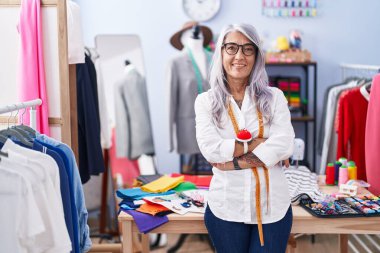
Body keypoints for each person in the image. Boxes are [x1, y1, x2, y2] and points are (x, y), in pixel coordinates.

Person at [194, 23, 295, 253]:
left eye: (248, 49)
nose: (239, 56)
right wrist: (256, 144)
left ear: (256, 56)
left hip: (273, 209)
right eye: (231, 48)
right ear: (221, 52)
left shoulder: (275, 97)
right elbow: (211, 150)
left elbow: (285, 144)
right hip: (226, 208)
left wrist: (233, 163)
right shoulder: (205, 102)